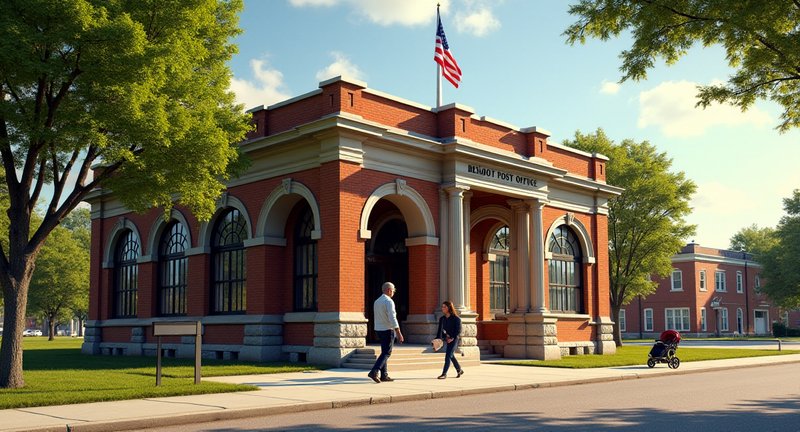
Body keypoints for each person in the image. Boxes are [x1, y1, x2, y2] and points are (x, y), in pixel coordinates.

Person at [368, 281, 404, 383]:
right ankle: (374, 371)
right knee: (387, 352)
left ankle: (384, 375)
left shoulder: (377, 301)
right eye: (393, 290)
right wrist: (398, 332)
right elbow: (392, 317)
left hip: (379, 329)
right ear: (389, 290)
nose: (393, 292)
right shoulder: (389, 301)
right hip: (387, 329)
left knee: (384, 352)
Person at [436, 300, 464, 379]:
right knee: (451, 355)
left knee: (448, 356)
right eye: (442, 307)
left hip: (454, 339)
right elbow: (440, 330)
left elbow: (458, 331)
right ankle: (459, 370)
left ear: (449, 308)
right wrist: (437, 340)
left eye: (444, 307)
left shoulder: (456, 319)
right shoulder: (442, 319)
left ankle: (444, 374)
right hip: (447, 339)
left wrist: (452, 338)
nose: (442, 308)